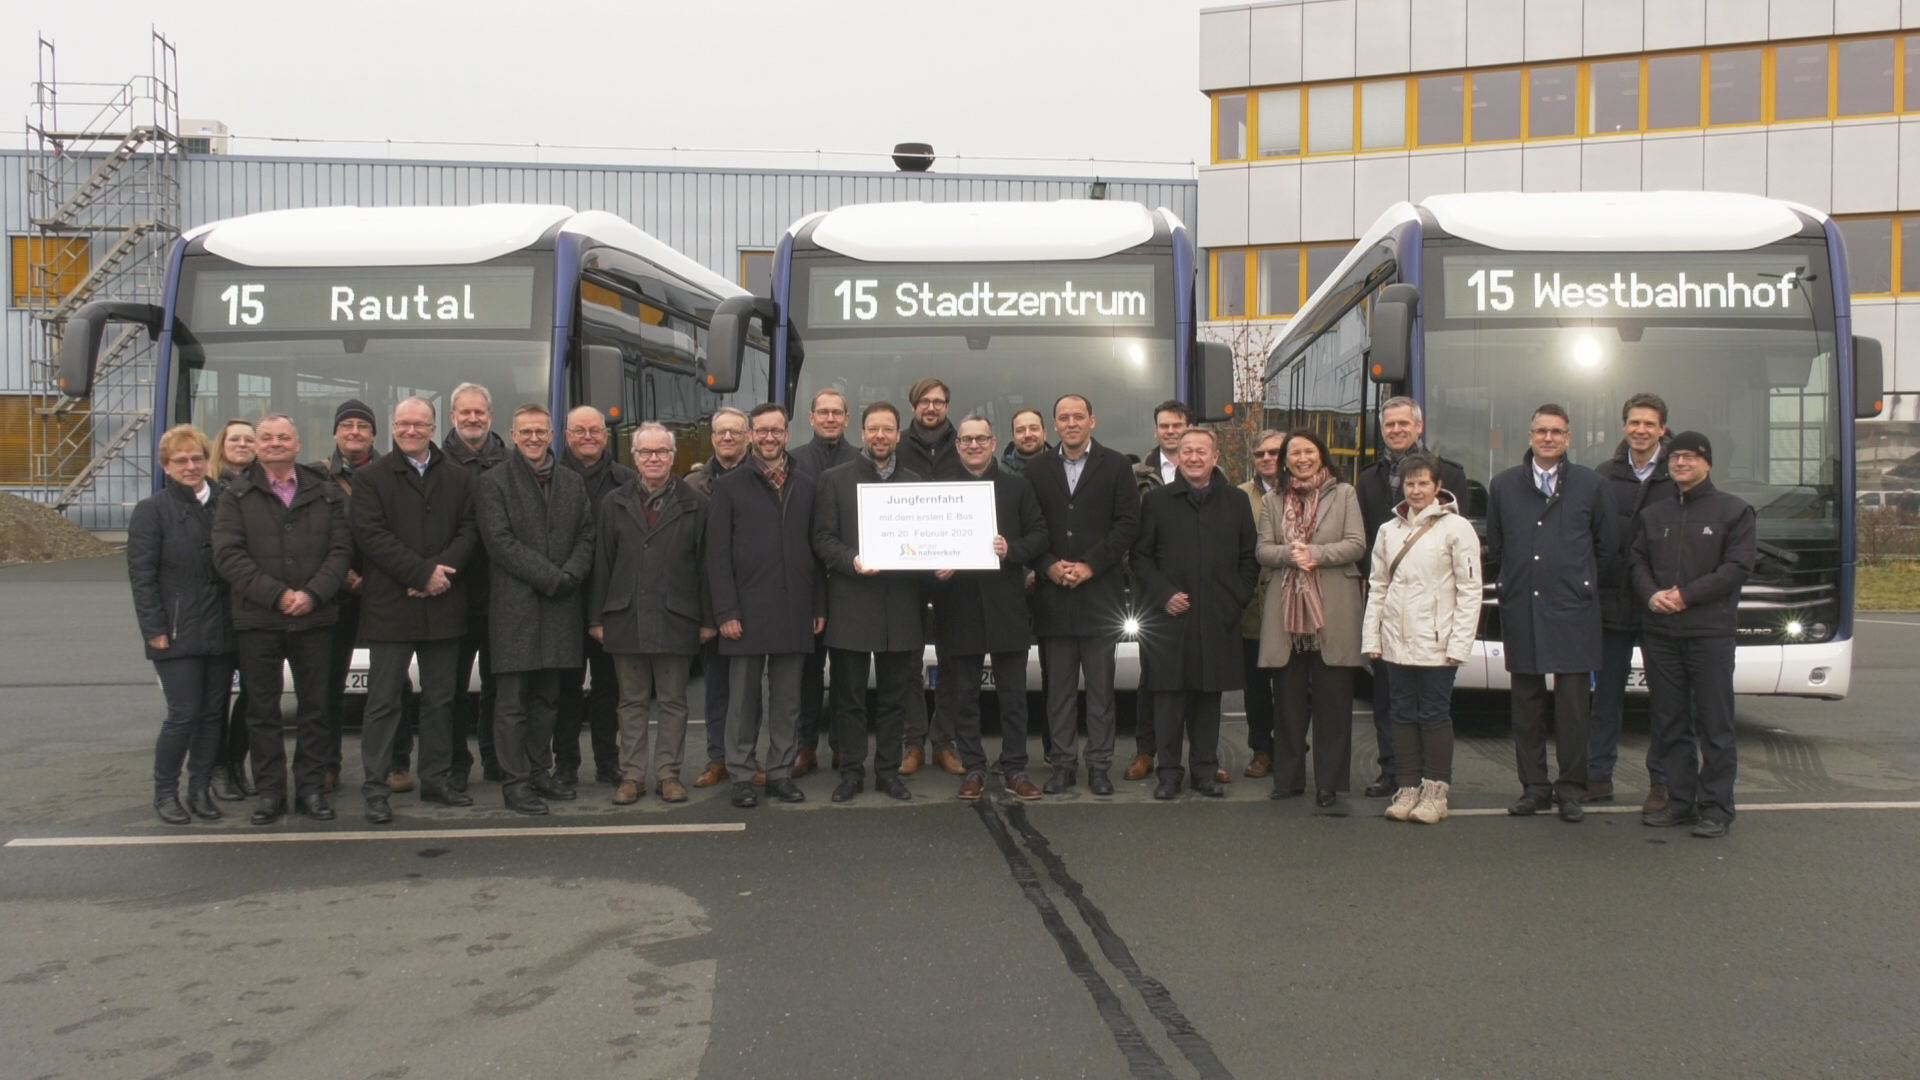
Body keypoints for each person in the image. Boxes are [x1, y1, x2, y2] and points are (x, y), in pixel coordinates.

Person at [211, 415, 353, 825]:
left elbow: (340, 551)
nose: (275, 443)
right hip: (259, 619)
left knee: (316, 708)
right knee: (262, 711)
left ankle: (310, 789)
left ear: (297, 443)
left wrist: (312, 594)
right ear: (256, 446)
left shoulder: (325, 493)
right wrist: (277, 595)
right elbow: (227, 555)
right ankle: (270, 793)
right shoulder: (235, 497)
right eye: (267, 437)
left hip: (316, 617)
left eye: (284, 437)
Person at [348, 397, 479, 824]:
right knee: (384, 702)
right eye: (403, 423)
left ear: (433, 426)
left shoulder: (458, 478)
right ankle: (376, 788)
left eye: (419, 424)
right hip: (392, 608)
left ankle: (437, 780)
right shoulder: (371, 478)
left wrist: (443, 576)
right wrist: (423, 573)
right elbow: (371, 535)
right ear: (392, 426)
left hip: (445, 604)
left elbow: (469, 531)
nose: (411, 431)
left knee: (442, 700)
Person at [1485, 403, 1616, 822]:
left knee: (1573, 707)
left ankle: (1571, 789)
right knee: (1525, 704)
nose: (1548, 438)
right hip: (1522, 604)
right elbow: (1499, 545)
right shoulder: (1504, 485)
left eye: (1556, 432)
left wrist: (1580, 581)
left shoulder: (1591, 485)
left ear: (1568, 438)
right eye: (1541, 430)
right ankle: (1535, 787)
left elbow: (1607, 547)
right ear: (1529, 436)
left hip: (1573, 607)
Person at [1631, 432, 1755, 839]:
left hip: (1710, 634)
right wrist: (1652, 596)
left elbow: (1735, 568)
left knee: (1714, 722)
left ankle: (1717, 807)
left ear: (1708, 463)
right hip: (1661, 634)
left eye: (1690, 456)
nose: (1681, 463)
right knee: (1670, 722)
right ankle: (1680, 802)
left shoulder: (1734, 512)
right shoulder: (1654, 515)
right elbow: (1636, 562)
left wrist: (1686, 596)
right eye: (1675, 457)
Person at [474, 404, 596, 815]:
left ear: (552, 434)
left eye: (540, 431)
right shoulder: (493, 483)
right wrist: (552, 578)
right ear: (512, 432)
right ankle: (516, 782)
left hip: (561, 608)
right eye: (525, 431)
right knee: (511, 703)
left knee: (548, 699)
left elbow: (586, 536)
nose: (532, 438)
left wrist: (571, 575)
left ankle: (540, 771)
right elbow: (500, 542)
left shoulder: (571, 483)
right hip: (516, 609)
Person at [589, 423, 713, 806]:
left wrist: (708, 619)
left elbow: (706, 566)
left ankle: (668, 775)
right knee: (631, 702)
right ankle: (631, 776)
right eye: (646, 452)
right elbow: (602, 564)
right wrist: (596, 617)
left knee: (674, 702)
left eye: (661, 452)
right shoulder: (614, 502)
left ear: (673, 456)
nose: (653, 458)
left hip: (677, 616)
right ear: (635, 456)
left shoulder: (695, 502)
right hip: (625, 616)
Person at [707, 404, 823, 809]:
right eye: (763, 430)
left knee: (788, 701)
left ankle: (779, 772)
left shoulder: (806, 485)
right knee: (742, 701)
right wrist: (726, 612)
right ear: (751, 435)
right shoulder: (729, 486)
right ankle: (741, 774)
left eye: (777, 430)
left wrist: (817, 605)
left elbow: (815, 552)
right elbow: (716, 556)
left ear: (787, 434)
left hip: (795, 608)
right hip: (746, 612)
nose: (770, 437)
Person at [1133, 428, 1258, 800]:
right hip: (1170, 619)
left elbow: (1249, 559)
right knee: (1168, 701)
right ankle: (1168, 774)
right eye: (1186, 451)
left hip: (1217, 618)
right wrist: (1164, 595)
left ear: (1215, 456)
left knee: (1207, 700)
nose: (1193, 457)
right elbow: (1140, 557)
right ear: (1178, 457)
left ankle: (1204, 770)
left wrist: (1233, 599)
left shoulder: (1235, 502)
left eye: (1201, 451)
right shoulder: (1157, 501)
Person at [815, 401, 930, 803]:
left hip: (900, 608)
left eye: (888, 429)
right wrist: (852, 560)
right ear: (862, 433)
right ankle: (851, 772)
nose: (880, 436)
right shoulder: (835, 480)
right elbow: (823, 539)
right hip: (851, 604)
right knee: (848, 699)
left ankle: (887, 772)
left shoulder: (915, 484)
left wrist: (940, 560)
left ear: (898, 435)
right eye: (873, 429)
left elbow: (928, 540)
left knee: (895, 698)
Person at [1353, 396, 1469, 797]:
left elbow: (1463, 564)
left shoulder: (1451, 474)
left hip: (1435, 620)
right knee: (1390, 702)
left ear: (1419, 427)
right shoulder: (1367, 480)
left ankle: (1431, 783)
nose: (1397, 430)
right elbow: (1370, 548)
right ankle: (1396, 775)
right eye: (1390, 425)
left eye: (1404, 424)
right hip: (1391, 613)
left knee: (1433, 709)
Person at [931, 415, 1050, 801]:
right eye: (966, 440)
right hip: (959, 607)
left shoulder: (1017, 488)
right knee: (964, 696)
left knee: (1013, 696)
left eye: (981, 439)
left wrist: (1010, 550)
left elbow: (1039, 536)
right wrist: (937, 563)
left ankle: (1015, 767)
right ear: (958, 446)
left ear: (994, 442)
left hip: (1006, 606)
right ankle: (974, 768)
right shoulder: (943, 491)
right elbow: (926, 542)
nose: (974, 446)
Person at [1027, 394, 1141, 796]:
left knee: (1100, 691)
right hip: (1053, 597)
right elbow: (1029, 524)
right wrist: (1049, 564)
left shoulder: (1116, 466)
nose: (1071, 423)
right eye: (1064, 417)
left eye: (1079, 416)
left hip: (1100, 596)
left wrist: (1091, 564)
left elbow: (1127, 524)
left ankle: (1098, 766)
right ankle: (1062, 765)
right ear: (1054, 425)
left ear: (1093, 421)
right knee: (1057, 693)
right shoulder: (1037, 469)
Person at [1361, 454, 1482, 826]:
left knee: (1433, 715)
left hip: (1437, 643)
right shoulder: (1388, 531)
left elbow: (1470, 590)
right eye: (1410, 484)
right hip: (1396, 641)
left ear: (1437, 486)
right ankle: (1407, 787)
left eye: (1423, 484)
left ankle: (1435, 792)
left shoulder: (1457, 528)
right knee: (1401, 715)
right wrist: (1372, 638)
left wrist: (1459, 645)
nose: (1415, 490)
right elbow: (1377, 586)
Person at [128, 425, 238, 825]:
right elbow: (142, 576)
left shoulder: (226, 502)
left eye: (196, 458)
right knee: (183, 714)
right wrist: (153, 628)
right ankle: (165, 792)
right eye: (181, 461)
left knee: (213, 714)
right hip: (175, 631)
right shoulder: (152, 511)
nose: (190, 466)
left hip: (222, 628)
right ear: (166, 467)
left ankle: (200, 788)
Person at [1257, 430, 1367, 813]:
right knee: (1286, 704)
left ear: (1321, 455)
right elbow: (1263, 550)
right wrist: (1292, 554)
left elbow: (1356, 543)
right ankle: (1287, 780)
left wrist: (1315, 553)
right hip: (1286, 615)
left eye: (1308, 451)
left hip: (1331, 609)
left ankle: (1330, 785)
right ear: (1284, 461)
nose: (1301, 458)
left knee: (1333, 704)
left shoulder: (1345, 494)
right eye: (1293, 453)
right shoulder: (1272, 500)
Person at [1592, 393, 1677, 809]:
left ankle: (1661, 783)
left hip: (1660, 604)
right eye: (1633, 423)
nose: (1640, 430)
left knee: (1665, 700)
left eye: (1649, 424)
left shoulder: (1678, 474)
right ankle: (1597, 777)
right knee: (1605, 697)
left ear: (1662, 429)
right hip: (1610, 601)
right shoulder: (1603, 475)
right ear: (1624, 427)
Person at [555, 405, 636, 789]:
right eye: (579, 431)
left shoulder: (626, 481)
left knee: (608, 690)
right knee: (565, 689)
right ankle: (566, 765)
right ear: (566, 435)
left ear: (606, 436)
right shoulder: (549, 478)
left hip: (612, 603)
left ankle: (608, 762)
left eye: (595, 431)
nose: (588, 437)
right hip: (562, 599)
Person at [897, 376, 965, 777]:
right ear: (913, 407)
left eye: (938, 401)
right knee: (908, 660)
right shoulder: (898, 448)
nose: (931, 408)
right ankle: (912, 743)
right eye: (924, 401)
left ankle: (944, 742)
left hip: (953, 573)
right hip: (907, 572)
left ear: (947, 406)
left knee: (952, 660)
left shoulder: (964, 446)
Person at [790, 389, 859, 777]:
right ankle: (805, 746)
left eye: (837, 412)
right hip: (804, 581)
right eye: (824, 412)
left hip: (851, 580)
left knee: (848, 674)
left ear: (847, 419)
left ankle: (843, 747)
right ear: (812, 417)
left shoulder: (861, 460)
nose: (830, 418)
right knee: (808, 672)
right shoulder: (794, 460)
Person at [685, 406, 754, 789]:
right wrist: (704, 615)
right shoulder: (693, 485)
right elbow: (690, 557)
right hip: (711, 606)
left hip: (755, 603)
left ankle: (747, 756)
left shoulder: (762, 479)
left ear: (747, 437)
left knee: (750, 692)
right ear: (712, 439)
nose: (728, 438)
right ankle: (718, 759)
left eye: (735, 432)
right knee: (717, 689)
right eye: (721, 432)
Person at [445, 382, 509, 789]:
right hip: (451, 595)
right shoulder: (435, 463)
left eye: (479, 412)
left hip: (502, 594)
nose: (472, 419)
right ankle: (455, 763)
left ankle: (496, 757)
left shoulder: (511, 462)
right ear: (452, 417)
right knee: (450, 687)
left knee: (498, 686)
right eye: (464, 412)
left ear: (490, 416)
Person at [317, 398, 376, 794]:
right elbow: (313, 537)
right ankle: (327, 765)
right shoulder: (315, 478)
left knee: (392, 686)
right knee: (328, 686)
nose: (354, 432)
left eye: (363, 426)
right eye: (347, 425)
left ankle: (392, 763)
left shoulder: (391, 472)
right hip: (335, 596)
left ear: (374, 434)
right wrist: (347, 577)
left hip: (382, 594)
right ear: (336, 433)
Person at [207, 418, 258, 802]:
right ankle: (215, 768)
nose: (242, 444)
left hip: (253, 603)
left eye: (248, 439)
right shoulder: (206, 491)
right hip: (214, 607)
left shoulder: (264, 487)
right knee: (212, 697)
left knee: (255, 694)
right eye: (234, 439)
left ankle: (235, 761)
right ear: (221, 445)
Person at [1237, 429, 1286, 780]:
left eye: (1274, 452)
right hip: (1252, 607)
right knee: (1256, 688)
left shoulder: (1304, 493)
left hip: (1293, 607)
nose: (1267, 458)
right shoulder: (1240, 496)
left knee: (1293, 686)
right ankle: (1261, 749)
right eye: (1260, 454)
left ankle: (1289, 747)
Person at [999, 407, 1051, 476]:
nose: (1028, 435)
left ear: (1044, 434)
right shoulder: (999, 474)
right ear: (1013, 438)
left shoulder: (1061, 467)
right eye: (1020, 430)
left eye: (1034, 428)